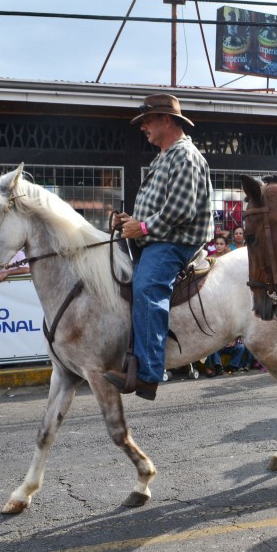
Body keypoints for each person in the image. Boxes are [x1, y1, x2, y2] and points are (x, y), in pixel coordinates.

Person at [103, 94, 213, 401]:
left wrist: (141, 227)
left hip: (176, 240)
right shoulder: (164, 156)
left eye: (147, 121)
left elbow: (180, 212)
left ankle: (149, 374)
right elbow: (160, 209)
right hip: (157, 235)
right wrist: (132, 221)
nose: (143, 128)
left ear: (167, 120)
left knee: (148, 286)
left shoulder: (185, 156)